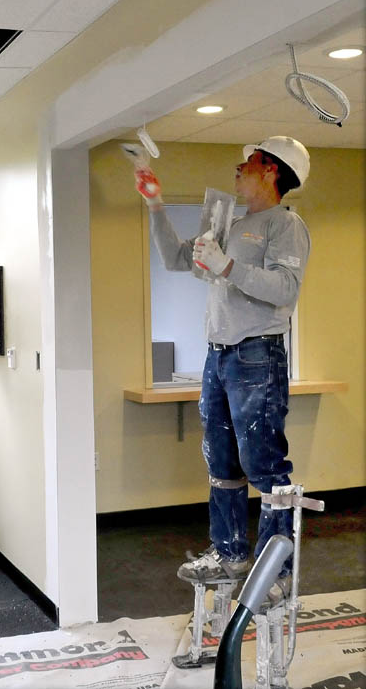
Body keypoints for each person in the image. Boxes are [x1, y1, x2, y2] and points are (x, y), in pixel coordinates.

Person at [138, 136, 311, 602]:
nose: (239, 166)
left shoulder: (285, 225)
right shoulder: (232, 222)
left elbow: (285, 289)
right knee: (221, 458)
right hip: (219, 354)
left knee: (265, 465)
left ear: (272, 171)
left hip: (256, 354)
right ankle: (230, 552)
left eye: (250, 161)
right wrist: (155, 205)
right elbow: (178, 258)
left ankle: (276, 570)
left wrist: (229, 265)